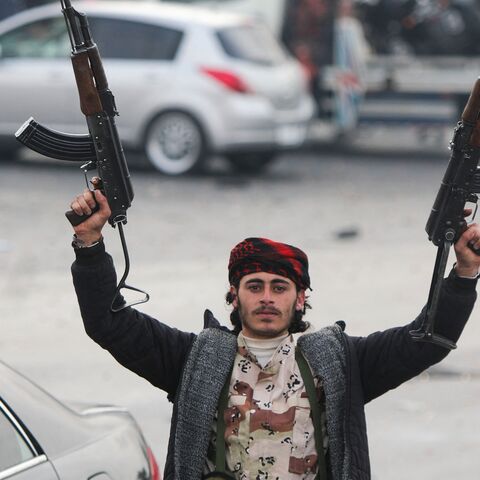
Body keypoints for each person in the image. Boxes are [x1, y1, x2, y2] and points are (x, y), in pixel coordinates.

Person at [69, 187, 479, 480]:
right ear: (234, 295)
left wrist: (463, 273)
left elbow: (425, 341)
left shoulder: (337, 361)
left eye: (279, 287)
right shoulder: (196, 359)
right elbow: (111, 325)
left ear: (301, 298)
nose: (267, 297)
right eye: (255, 286)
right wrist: (89, 243)